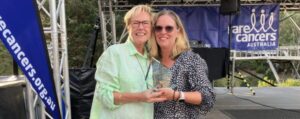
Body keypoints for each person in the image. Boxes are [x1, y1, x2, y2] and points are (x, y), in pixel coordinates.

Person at [89, 5, 166, 119]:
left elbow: (166, 92)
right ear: (128, 26)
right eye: (136, 23)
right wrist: (140, 97)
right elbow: (105, 96)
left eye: (145, 23)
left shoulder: (154, 62)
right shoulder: (114, 53)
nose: (141, 27)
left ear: (151, 28)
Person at [149, 9, 216, 118]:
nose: (163, 32)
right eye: (158, 28)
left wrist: (176, 95)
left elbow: (208, 97)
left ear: (178, 31)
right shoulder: (150, 61)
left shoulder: (191, 60)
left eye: (169, 28)